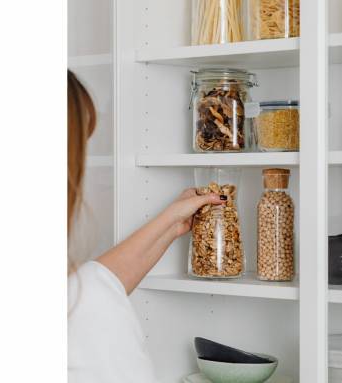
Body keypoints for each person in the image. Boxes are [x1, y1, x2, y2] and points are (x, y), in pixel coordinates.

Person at [67, 70, 224, 382]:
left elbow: (96, 283)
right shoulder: (88, 315)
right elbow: (89, 297)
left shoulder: (83, 297)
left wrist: (170, 222)